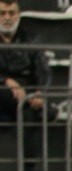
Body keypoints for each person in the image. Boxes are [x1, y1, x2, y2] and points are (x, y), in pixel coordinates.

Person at [0, 0, 48, 129]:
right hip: (3, 88)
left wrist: (40, 91)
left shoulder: (31, 39)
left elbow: (42, 69)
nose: (7, 18)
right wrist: (7, 81)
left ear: (19, 15)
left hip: (27, 88)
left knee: (31, 111)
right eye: (2, 13)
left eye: (11, 13)